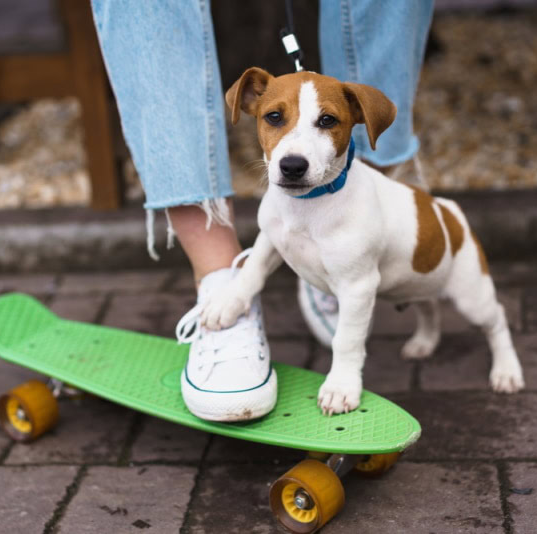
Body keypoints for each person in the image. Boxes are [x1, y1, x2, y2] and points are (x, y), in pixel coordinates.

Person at [91, 0, 433, 421]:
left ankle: (343, 253)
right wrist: (243, 286)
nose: (294, 152)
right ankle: (220, 276)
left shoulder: (354, 110)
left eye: (325, 122)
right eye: (275, 118)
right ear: (251, 104)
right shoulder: (271, 189)